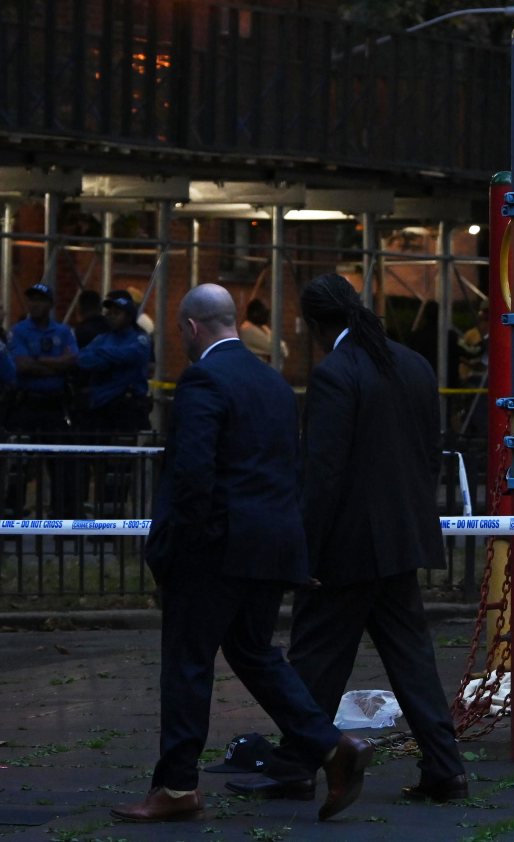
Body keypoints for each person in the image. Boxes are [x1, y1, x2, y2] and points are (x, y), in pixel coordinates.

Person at [111, 283, 373, 824]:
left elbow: (193, 474)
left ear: (189, 328)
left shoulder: (203, 379)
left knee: (187, 665)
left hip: (214, 552)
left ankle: (178, 786)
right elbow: (285, 470)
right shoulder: (274, 383)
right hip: (269, 548)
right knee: (255, 654)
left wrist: (175, 549)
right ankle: (329, 745)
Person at [227, 273, 467, 804]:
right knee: (412, 658)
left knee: (315, 655)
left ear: (315, 323)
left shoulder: (336, 374)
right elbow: (429, 454)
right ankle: (445, 765)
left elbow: (323, 475)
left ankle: (294, 765)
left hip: (348, 547)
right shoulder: (412, 364)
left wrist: (304, 550)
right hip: (400, 540)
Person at [6, 284, 79, 516]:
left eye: (40, 300)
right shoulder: (19, 331)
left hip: (54, 406)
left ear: (50, 304)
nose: (34, 304)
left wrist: (37, 360)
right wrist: (55, 364)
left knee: (60, 463)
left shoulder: (63, 332)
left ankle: (61, 517)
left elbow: (72, 361)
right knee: (20, 464)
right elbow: (21, 365)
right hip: (27, 404)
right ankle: (12, 516)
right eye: (31, 300)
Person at [76, 290, 151, 434]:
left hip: (128, 408)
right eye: (109, 312)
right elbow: (82, 359)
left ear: (129, 317)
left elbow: (132, 355)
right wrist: (112, 358)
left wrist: (102, 354)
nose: (111, 316)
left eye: (117, 313)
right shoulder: (102, 338)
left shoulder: (140, 339)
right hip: (100, 407)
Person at [238, 298, 289, 364]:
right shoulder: (248, 329)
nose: (267, 317)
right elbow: (276, 348)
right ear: (255, 313)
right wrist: (280, 346)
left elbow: (281, 346)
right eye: (265, 313)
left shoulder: (262, 327)